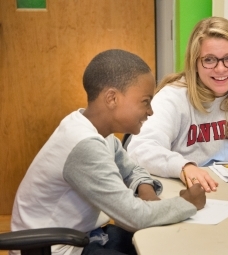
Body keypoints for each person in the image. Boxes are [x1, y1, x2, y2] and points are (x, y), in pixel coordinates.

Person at [10, 49, 206, 255]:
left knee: (163, 243)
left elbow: (132, 170)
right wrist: (188, 203)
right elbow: (133, 217)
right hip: (57, 248)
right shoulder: (84, 145)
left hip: (85, 235)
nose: (151, 111)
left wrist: (146, 192)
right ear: (112, 98)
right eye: (145, 101)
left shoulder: (97, 132)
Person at [127, 17, 228, 193]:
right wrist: (183, 167)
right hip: (186, 191)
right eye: (209, 60)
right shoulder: (172, 98)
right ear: (194, 63)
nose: (220, 69)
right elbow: (139, 149)